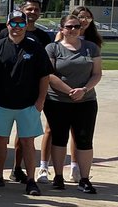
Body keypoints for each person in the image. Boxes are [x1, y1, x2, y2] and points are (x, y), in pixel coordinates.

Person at [0, 9, 53, 195]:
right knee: (0, 141)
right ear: (8, 25)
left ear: (26, 26)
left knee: (28, 142)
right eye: (14, 23)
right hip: (1, 104)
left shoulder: (35, 47)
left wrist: (40, 101)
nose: (17, 27)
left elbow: (44, 76)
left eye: (21, 23)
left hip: (28, 105)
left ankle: (30, 180)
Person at [44, 14, 103, 193]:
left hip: (86, 101)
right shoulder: (53, 48)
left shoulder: (90, 48)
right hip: (58, 100)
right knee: (60, 138)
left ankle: (84, 179)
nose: (73, 30)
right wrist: (69, 90)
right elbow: (50, 75)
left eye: (76, 26)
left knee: (84, 140)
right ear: (61, 29)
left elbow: (97, 73)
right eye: (69, 27)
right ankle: (58, 176)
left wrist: (83, 90)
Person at [11, 0, 53, 183]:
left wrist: (41, 97)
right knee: (8, 134)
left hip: (33, 91)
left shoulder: (43, 37)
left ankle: (20, 169)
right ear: (21, 10)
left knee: (27, 134)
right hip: (11, 91)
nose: (32, 12)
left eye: (36, 10)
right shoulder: (9, 33)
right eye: (29, 9)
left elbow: (45, 69)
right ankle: (15, 167)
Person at [67, 5, 104, 183]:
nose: (84, 20)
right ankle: (45, 166)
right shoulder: (64, 35)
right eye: (81, 17)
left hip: (85, 93)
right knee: (53, 131)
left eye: (88, 17)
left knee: (79, 133)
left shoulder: (93, 42)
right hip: (63, 92)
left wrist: (85, 89)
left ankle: (76, 166)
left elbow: (97, 71)